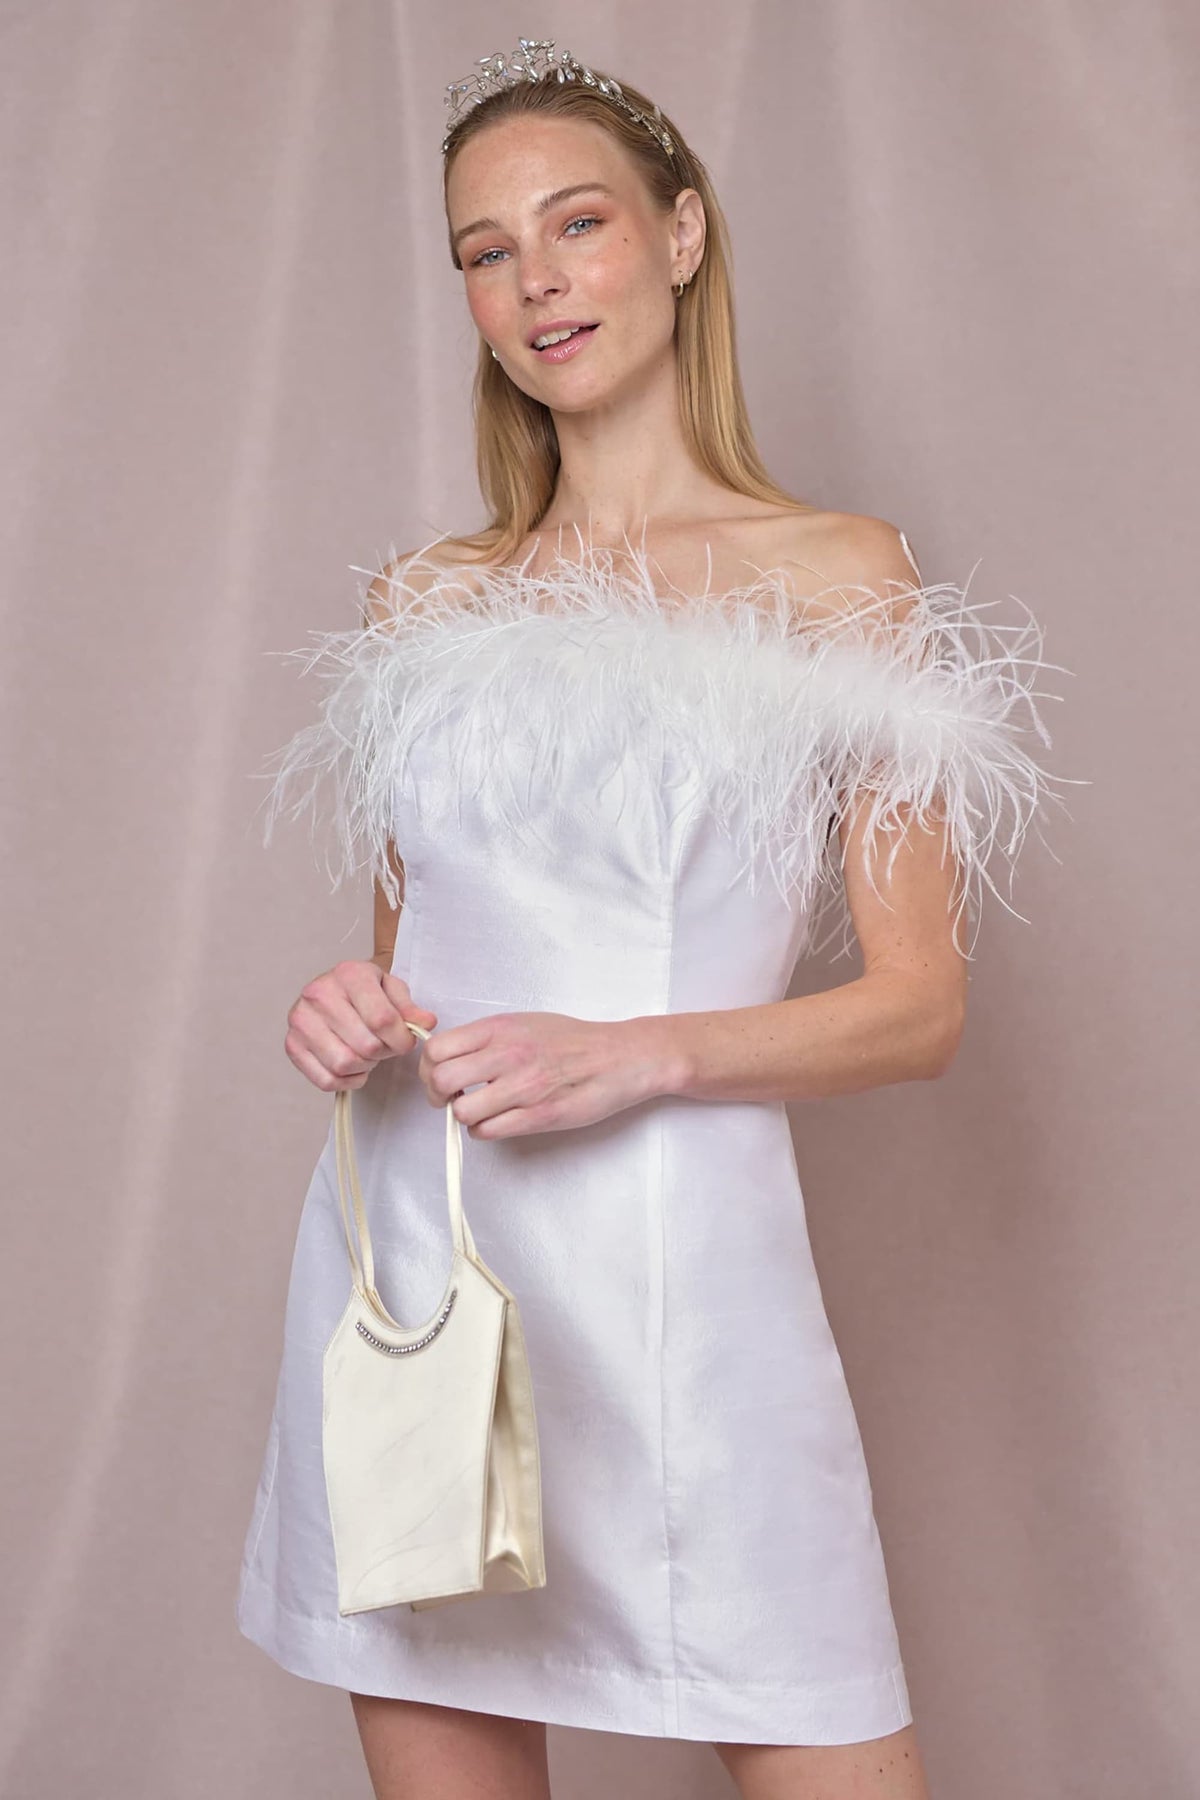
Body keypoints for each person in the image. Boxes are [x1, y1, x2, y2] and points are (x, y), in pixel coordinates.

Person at [235, 39, 1067, 1800]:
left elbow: (918, 1008)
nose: (534, 280)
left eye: (578, 222)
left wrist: (641, 1051)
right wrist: (348, 1011)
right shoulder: (424, 602)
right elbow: (409, 956)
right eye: (483, 249)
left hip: (688, 1281)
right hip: (428, 1269)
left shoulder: (839, 574)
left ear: (682, 237)